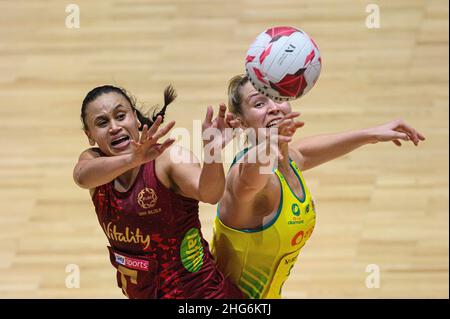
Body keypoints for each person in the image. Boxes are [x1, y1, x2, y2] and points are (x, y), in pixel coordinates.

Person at [210, 74, 426, 299]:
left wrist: (372, 134)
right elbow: (248, 180)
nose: (273, 107)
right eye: (259, 103)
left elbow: (306, 151)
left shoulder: (288, 159)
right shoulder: (247, 176)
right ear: (240, 122)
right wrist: (271, 143)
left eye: (277, 96)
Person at [73, 84, 243, 299]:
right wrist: (131, 159)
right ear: (90, 135)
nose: (114, 127)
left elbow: (210, 194)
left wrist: (213, 153)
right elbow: (81, 177)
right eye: (102, 122)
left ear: (135, 117)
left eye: (120, 115)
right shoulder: (94, 163)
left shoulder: (168, 159)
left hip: (202, 296)